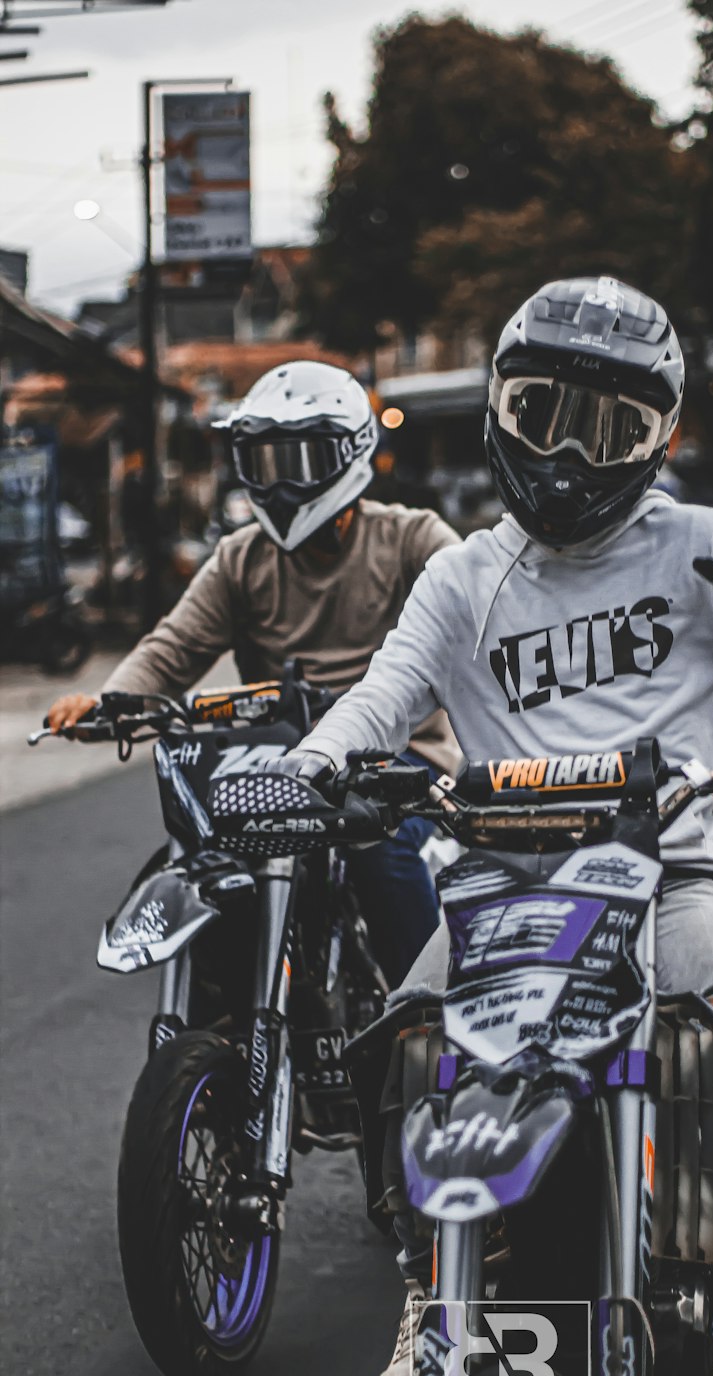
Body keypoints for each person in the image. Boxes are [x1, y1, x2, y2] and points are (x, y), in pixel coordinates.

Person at [268, 278, 713, 1376]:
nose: (565, 452)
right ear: (498, 409)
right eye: (541, 411)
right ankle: (424, 1287)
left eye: (607, 426)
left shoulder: (703, 544)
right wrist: (297, 772)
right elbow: (379, 702)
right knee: (402, 1039)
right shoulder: (463, 576)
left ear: (660, 439)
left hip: (674, 878)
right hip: (502, 888)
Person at [46, 360, 461, 988]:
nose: (281, 483)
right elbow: (171, 650)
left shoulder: (411, 539)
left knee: (384, 859)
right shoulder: (239, 559)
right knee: (210, 868)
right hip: (279, 768)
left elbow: (483, 617)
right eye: (265, 463)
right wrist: (108, 703)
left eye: (299, 460)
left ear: (348, 454)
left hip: (400, 772)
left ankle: (424, 1026)